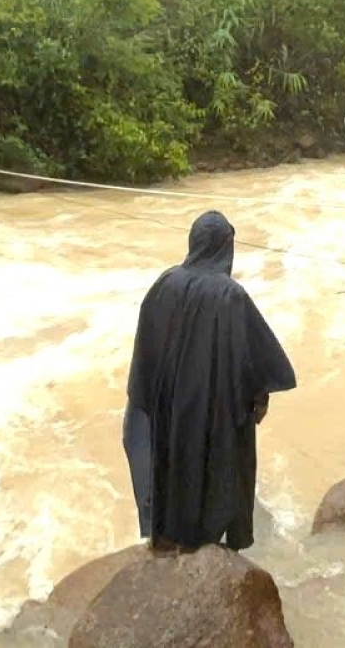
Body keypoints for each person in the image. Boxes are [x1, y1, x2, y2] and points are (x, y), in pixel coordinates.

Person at [124, 210, 297, 550]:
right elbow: (260, 361)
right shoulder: (230, 295)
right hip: (208, 410)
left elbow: (146, 349)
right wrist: (258, 400)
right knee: (209, 470)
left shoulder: (164, 283)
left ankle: (165, 537)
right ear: (225, 249)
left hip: (168, 404)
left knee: (169, 463)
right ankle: (202, 543)